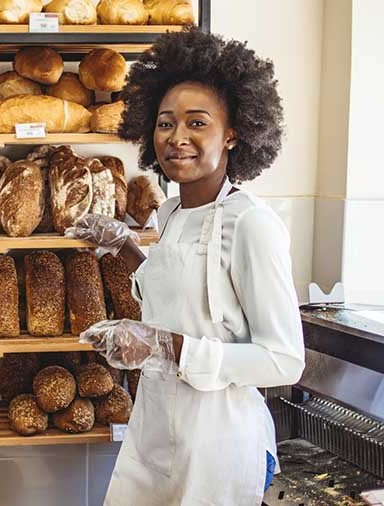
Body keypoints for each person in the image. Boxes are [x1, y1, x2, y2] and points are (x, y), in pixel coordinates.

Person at [65, 30, 305, 505]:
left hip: (218, 440)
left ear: (233, 132)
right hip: (157, 422)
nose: (177, 139)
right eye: (165, 124)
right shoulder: (171, 212)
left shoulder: (252, 224)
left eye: (197, 124)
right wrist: (127, 245)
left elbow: (284, 360)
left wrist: (163, 344)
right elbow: (183, 292)